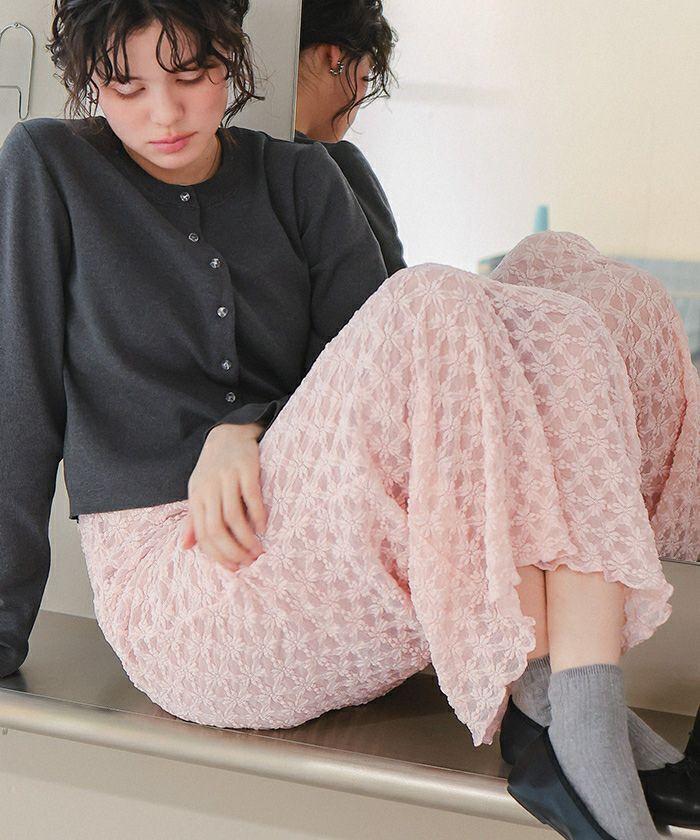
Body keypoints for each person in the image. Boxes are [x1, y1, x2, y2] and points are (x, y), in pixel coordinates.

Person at [0, 1, 697, 837]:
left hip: (316, 556)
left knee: (588, 287)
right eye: (127, 86)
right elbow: (15, 404)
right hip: (188, 599)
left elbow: (373, 382)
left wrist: (245, 427)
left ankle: (575, 702)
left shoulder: (303, 178)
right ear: (90, 81)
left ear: (231, 54)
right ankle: (565, 722)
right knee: (431, 301)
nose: (164, 112)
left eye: (191, 74)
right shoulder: (50, 167)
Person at [293, 2, 700, 835]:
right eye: (360, 75)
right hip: (332, 458)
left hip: (395, 405)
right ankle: (576, 724)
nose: (359, 99)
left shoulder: (341, 168)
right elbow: (384, 329)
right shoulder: (282, 174)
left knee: (564, 272)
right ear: (337, 59)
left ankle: (569, 708)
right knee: (501, 323)